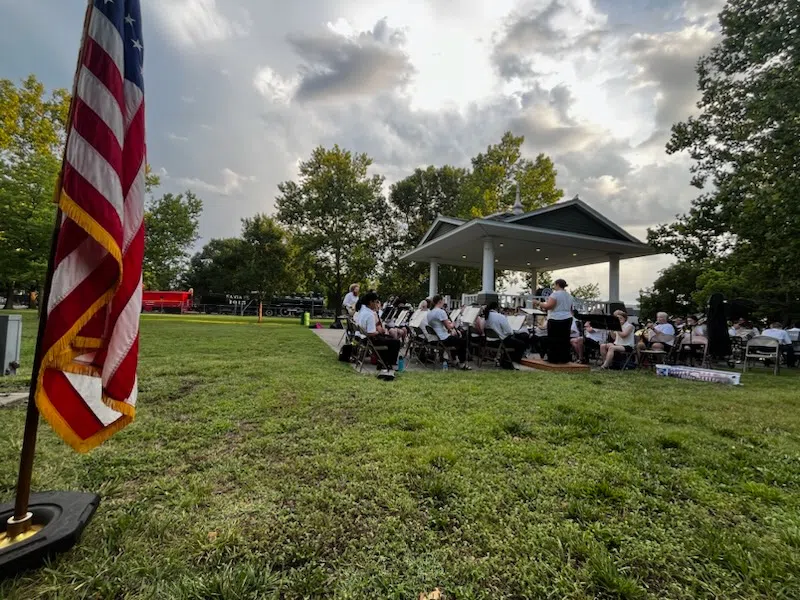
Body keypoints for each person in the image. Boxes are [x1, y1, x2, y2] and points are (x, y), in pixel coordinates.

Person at [356, 292, 401, 379]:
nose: (377, 304)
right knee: (396, 342)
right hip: (370, 340)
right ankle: (389, 364)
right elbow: (371, 333)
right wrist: (380, 331)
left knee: (389, 339)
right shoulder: (369, 314)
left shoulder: (362, 310)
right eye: (376, 302)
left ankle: (383, 362)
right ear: (370, 302)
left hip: (362, 338)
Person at [533, 279, 573, 363]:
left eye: (554, 285)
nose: (554, 287)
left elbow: (549, 306)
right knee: (564, 339)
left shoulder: (555, 295)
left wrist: (538, 303)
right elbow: (570, 308)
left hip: (556, 318)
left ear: (558, 285)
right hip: (567, 318)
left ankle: (554, 358)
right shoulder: (569, 296)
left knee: (553, 339)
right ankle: (564, 358)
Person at [426, 295, 471, 369]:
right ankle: (462, 363)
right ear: (440, 301)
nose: (444, 302)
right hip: (443, 339)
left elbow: (439, 325)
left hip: (437, 338)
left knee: (456, 339)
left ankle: (454, 360)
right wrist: (453, 324)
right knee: (463, 342)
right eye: (443, 300)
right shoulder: (440, 311)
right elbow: (449, 327)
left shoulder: (430, 313)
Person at [484, 302, 526, 368]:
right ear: (497, 308)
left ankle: (505, 360)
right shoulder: (500, 316)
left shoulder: (486, 315)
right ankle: (512, 362)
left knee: (515, 341)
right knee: (521, 344)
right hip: (499, 342)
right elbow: (509, 331)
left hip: (489, 341)